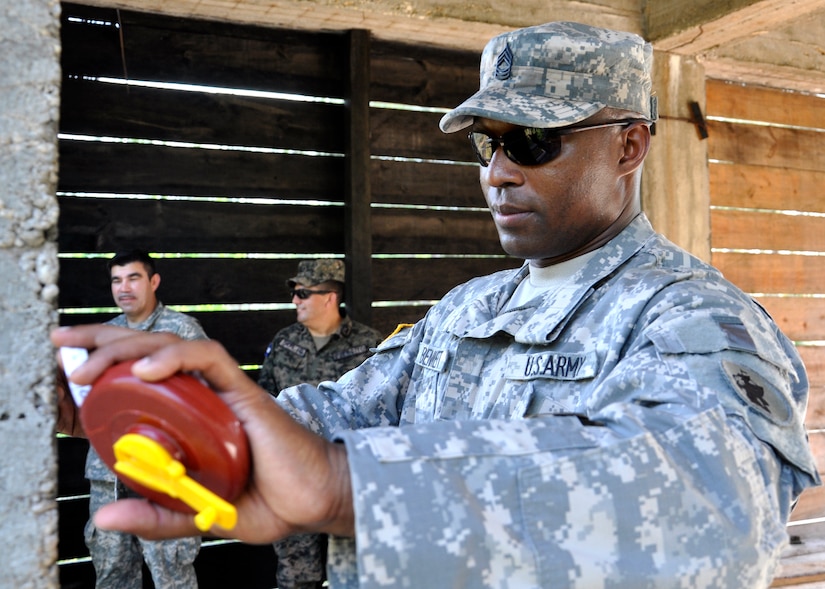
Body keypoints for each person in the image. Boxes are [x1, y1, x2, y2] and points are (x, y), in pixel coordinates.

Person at [53, 22, 821, 589]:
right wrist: (158, 407)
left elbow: (709, 512)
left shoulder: (694, 319)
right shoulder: (463, 309)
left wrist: (346, 485)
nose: (496, 173)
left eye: (530, 141)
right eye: (487, 143)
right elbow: (329, 419)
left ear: (628, 146)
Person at [83, 249, 207, 589]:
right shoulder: (101, 337)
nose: (124, 288)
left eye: (133, 278)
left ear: (154, 281)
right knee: (112, 579)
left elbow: (208, 401)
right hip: (110, 482)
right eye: (116, 280)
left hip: (164, 481)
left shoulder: (182, 332)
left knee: (172, 579)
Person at [258, 259, 382, 589]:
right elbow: (264, 399)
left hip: (349, 479)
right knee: (297, 575)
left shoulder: (369, 344)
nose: (295, 300)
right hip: (293, 476)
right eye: (294, 293)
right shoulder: (284, 342)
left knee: (356, 571)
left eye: (303, 293)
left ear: (329, 297)